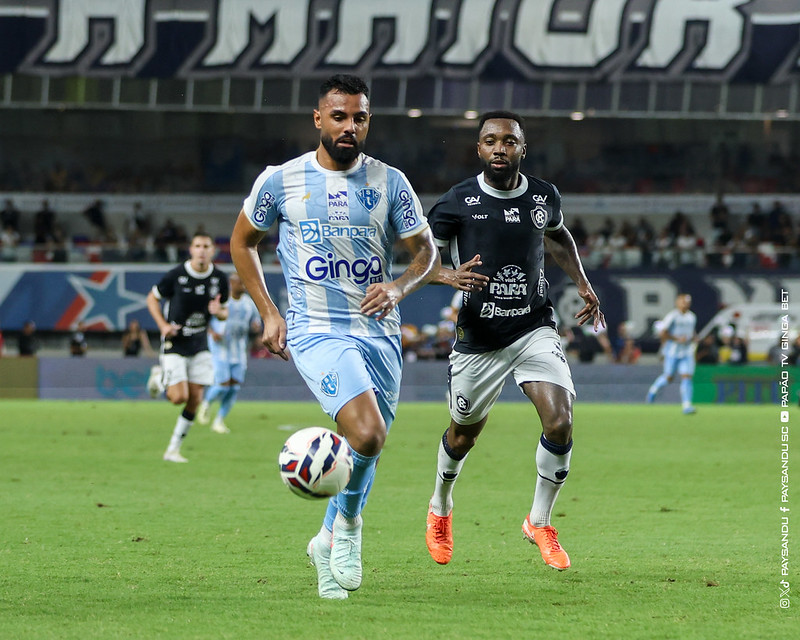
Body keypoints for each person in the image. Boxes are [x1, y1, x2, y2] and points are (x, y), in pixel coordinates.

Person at [229, 74, 440, 599]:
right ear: (319, 119)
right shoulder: (281, 180)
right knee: (366, 433)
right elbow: (242, 243)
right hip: (316, 329)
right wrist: (269, 312)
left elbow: (427, 253)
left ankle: (324, 542)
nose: (350, 126)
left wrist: (398, 286)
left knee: (368, 446)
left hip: (379, 331)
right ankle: (348, 529)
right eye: (340, 116)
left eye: (360, 117)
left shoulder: (390, 182)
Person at [423, 111, 604, 572]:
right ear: (478, 149)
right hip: (479, 337)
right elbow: (419, 254)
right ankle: (440, 507)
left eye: (509, 141)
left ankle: (539, 521)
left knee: (560, 421)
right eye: (490, 141)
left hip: (532, 326)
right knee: (463, 434)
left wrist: (582, 284)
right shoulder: (457, 201)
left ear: (523, 147)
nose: (500, 148)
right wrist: (445, 274)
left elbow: (558, 237)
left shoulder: (544, 196)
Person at [145, 231, 229, 463]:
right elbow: (151, 299)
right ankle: (159, 377)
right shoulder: (176, 275)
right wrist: (162, 325)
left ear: (213, 250)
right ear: (191, 250)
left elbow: (224, 312)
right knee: (177, 397)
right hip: (175, 341)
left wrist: (218, 313)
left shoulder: (220, 279)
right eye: (198, 246)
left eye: (206, 246)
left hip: (200, 343)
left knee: (195, 398)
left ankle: (173, 449)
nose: (202, 250)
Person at [196, 273, 261, 434]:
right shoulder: (222, 301)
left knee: (234, 388)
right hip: (220, 350)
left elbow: (256, 322)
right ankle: (206, 403)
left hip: (239, 351)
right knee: (223, 385)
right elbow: (206, 320)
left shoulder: (248, 304)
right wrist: (212, 332)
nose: (244, 286)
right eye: (241, 283)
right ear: (232, 284)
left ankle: (219, 421)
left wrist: (256, 327)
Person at [646, 293, 697, 414]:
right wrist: (676, 339)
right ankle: (654, 389)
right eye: (684, 301)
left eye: (687, 302)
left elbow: (691, 333)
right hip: (672, 352)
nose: (686, 304)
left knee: (687, 376)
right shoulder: (672, 316)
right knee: (668, 377)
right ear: (678, 302)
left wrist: (692, 338)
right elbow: (663, 332)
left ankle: (686, 405)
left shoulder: (692, 317)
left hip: (687, 352)